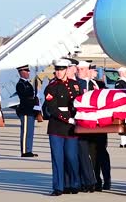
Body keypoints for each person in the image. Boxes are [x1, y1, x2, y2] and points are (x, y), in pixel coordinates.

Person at [44, 59, 81, 196]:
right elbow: (52, 108)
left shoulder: (75, 85)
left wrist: (79, 118)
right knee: (58, 158)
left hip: (72, 127)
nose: (59, 72)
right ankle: (58, 187)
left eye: (61, 70)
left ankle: (74, 183)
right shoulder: (51, 87)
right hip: (57, 127)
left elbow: (80, 102)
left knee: (71, 157)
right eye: (57, 70)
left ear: (66, 70)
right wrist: (68, 118)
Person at [75, 60, 97, 193]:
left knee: (94, 154)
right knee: (82, 153)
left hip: (95, 125)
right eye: (78, 69)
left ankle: (95, 180)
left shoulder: (95, 84)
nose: (79, 71)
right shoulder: (77, 84)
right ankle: (87, 181)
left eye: (82, 69)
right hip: (82, 124)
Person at [89, 64, 111, 191]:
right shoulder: (83, 84)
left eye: (94, 70)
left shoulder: (101, 85)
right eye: (92, 70)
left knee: (102, 153)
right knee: (92, 154)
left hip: (100, 125)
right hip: (89, 127)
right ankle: (96, 180)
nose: (94, 72)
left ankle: (107, 179)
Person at [15, 64, 39, 157]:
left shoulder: (27, 83)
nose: (28, 73)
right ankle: (25, 151)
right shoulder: (20, 84)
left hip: (30, 110)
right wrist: (33, 100)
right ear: (21, 72)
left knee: (30, 131)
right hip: (25, 110)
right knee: (25, 132)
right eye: (26, 71)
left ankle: (29, 149)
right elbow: (24, 97)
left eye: (28, 71)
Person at [115, 67, 126, 148]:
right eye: (125, 72)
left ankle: (125, 141)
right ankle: (123, 142)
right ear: (121, 73)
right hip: (122, 105)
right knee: (123, 123)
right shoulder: (119, 82)